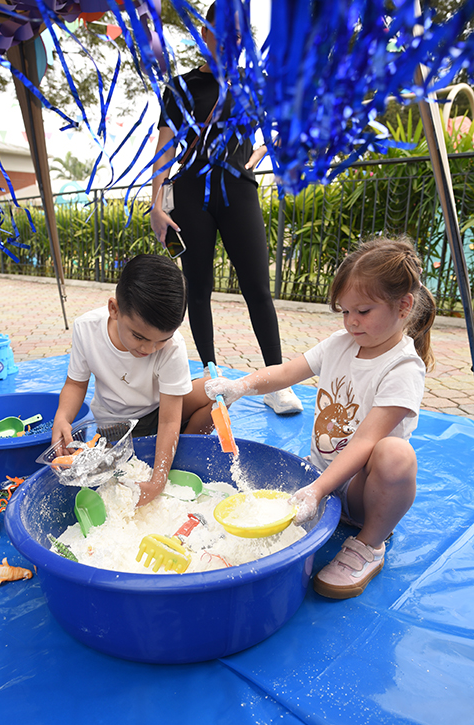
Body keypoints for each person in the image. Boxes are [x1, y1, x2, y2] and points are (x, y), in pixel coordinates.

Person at [205, 237, 436, 599]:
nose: (351, 322)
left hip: (360, 493)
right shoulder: (341, 343)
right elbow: (286, 372)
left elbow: (366, 439)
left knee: (396, 454)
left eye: (363, 311)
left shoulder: (403, 368)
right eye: (344, 312)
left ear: (403, 306)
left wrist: (318, 490)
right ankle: (327, 503)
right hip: (320, 473)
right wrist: (240, 386)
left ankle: (369, 544)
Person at [149, 1, 302, 416]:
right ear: (205, 32)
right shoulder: (180, 87)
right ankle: (211, 376)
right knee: (198, 288)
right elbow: (165, 149)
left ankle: (275, 382)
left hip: (238, 190)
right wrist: (156, 204)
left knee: (258, 287)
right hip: (190, 193)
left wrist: (258, 154)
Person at [52, 254, 214, 507]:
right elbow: (75, 384)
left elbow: (169, 418)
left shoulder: (173, 346)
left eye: (161, 340)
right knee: (118, 469)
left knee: (217, 391)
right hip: (118, 426)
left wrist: (158, 481)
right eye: (139, 337)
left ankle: (179, 456)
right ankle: (162, 453)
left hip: (159, 410)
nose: (149, 349)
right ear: (114, 309)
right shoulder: (87, 329)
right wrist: (62, 418)